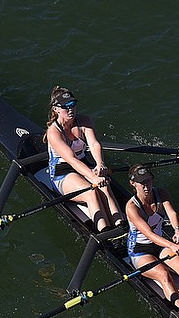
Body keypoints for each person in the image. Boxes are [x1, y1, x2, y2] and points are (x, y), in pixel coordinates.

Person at [125, 164, 179, 310]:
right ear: (133, 183)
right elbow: (149, 233)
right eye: (142, 182)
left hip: (161, 245)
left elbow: (173, 214)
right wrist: (172, 245)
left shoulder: (161, 194)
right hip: (140, 251)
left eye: (148, 181)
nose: (146, 186)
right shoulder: (132, 207)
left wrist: (178, 231)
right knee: (164, 275)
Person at [45, 86, 123, 232]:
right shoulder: (54, 132)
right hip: (62, 173)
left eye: (73, 104)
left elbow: (94, 144)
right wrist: (92, 178)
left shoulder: (85, 121)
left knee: (104, 185)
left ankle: (120, 225)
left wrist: (100, 164)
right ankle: (104, 233)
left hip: (84, 165)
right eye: (66, 106)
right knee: (91, 192)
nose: (71, 109)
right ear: (56, 109)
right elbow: (72, 159)